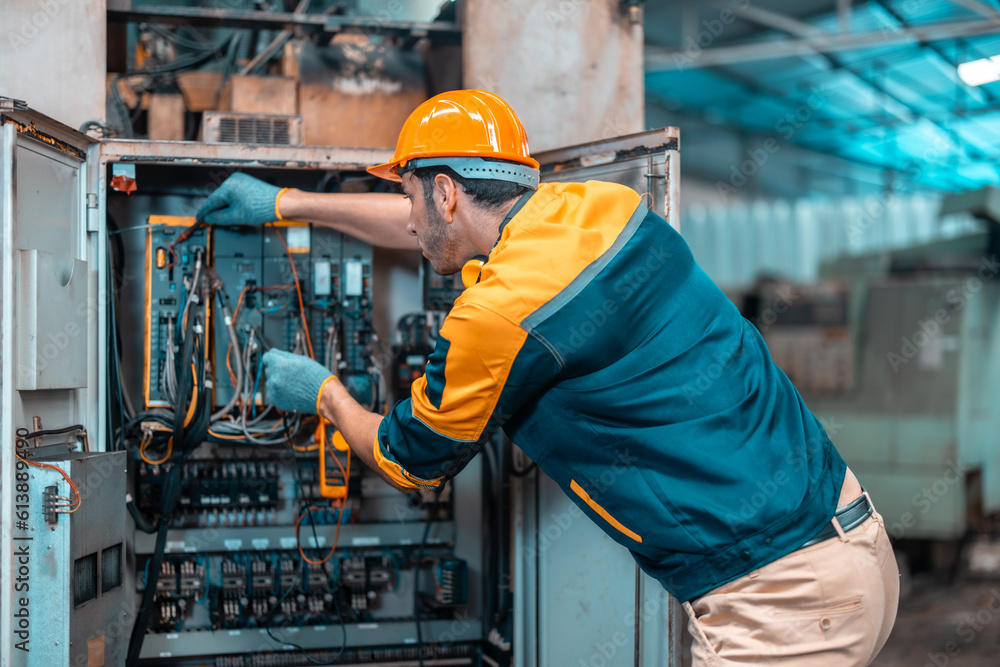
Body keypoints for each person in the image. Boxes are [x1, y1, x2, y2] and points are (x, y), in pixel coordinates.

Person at [197, 89, 898, 665]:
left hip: (780, 602)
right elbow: (431, 229)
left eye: (412, 195)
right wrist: (288, 205)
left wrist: (322, 391)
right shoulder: (602, 208)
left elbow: (409, 459)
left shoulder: (496, 316)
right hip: (849, 535)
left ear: (444, 191)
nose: (409, 216)